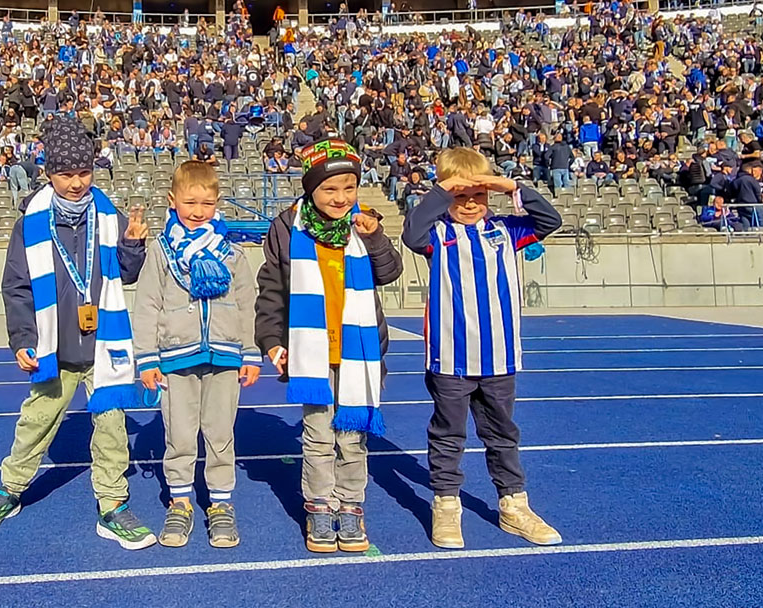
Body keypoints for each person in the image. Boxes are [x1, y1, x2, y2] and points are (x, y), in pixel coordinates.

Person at [0, 118, 156, 551]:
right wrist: (22, 339)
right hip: (54, 348)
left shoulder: (110, 217)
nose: (76, 182)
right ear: (49, 174)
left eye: (84, 173)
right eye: (66, 174)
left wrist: (132, 246)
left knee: (111, 427)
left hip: (104, 346)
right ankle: (10, 489)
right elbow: (16, 286)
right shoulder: (30, 224)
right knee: (35, 423)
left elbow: (126, 275)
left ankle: (112, 504)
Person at [401, 147, 563, 550]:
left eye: (478, 196)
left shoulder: (507, 230)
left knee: (502, 433)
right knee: (448, 434)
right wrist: (443, 191)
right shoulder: (437, 234)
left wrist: (508, 185)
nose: (470, 204)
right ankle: (446, 504)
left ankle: (513, 505)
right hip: (451, 356)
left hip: (500, 355)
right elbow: (410, 233)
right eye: (461, 197)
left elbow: (550, 220)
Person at [254, 139, 402, 553]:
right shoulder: (287, 226)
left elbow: (390, 272)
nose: (340, 198)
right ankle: (320, 507)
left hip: (359, 353)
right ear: (310, 189)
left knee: (352, 437)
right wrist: (270, 340)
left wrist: (375, 240)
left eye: (348, 188)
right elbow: (271, 290)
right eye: (330, 189)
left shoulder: (364, 224)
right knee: (318, 436)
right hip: (311, 353)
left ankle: (351, 506)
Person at [132, 161, 260, 549]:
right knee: (180, 435)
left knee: (220, 435)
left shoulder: (231, 252)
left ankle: (220, 504)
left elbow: (246, 303)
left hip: (224, 355)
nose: (198, 210)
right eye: (190, 202)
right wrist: (147, 358)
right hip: (175, 357)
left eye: (206, 203)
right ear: (173, 201)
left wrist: (251, 353)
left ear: (217, 203)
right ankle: (181, 500)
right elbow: (147, 304)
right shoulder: (161, 250)